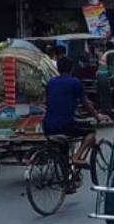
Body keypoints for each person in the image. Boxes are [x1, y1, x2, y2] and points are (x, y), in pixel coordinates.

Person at [43, 58, 110, 189]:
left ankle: (66, 182)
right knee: (91, 132)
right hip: (65, 124)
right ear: (71, 69)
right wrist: (97, 116)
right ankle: (77, 157)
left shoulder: (50, 83)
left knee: (63, 149)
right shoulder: (75, 82)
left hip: (47, 125)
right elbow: (86, 104)